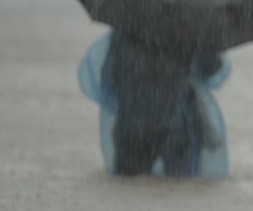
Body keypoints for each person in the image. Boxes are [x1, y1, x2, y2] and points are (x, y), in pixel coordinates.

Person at [78, 30, 231, 178]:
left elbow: (108, 83)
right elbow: (212, 67)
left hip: (132, 127)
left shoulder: (125, 31)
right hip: (177, 126)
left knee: (127, 189)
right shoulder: (188, 29)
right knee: (180, 189)